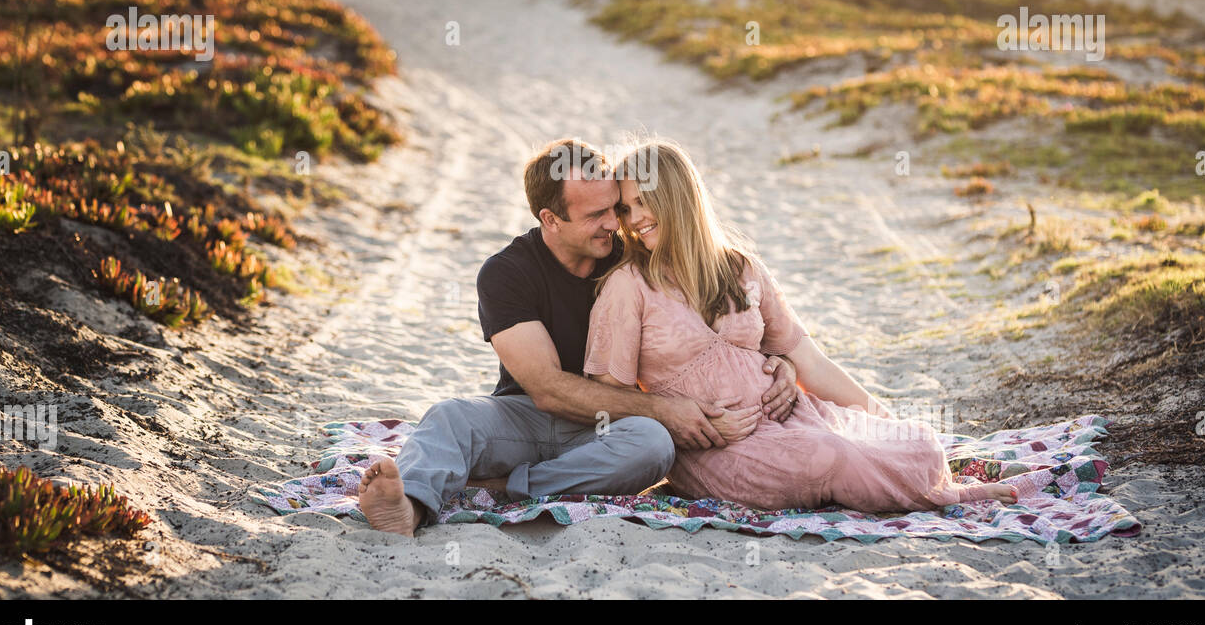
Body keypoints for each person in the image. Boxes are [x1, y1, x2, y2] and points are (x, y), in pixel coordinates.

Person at [357, 138, 799, 535]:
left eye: (615, 207)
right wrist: (667, 409)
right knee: (450, 416)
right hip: (526, 416)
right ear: (551, 218)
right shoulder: (507, 273)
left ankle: (504, 486)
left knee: (652, 445)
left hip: (617, 428)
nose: (615, 223)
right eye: (596, 214)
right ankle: (409, 507)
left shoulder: (636, 255)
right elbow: (547, 390)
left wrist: (781, 363)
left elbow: (714, 326)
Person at [582, 139, 1020, 514]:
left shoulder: (740, 268)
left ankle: (925, 477)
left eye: (645, 201)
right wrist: (679, 420)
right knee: (826, 457)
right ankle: (952, 497)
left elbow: (807, 360)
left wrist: (887, 418)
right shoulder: (628, 286)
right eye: (626, 208)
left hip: (792, 417)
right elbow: (608, 394)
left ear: (679, 196)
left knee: (918, 442)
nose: (635, 218)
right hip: (716, 449)